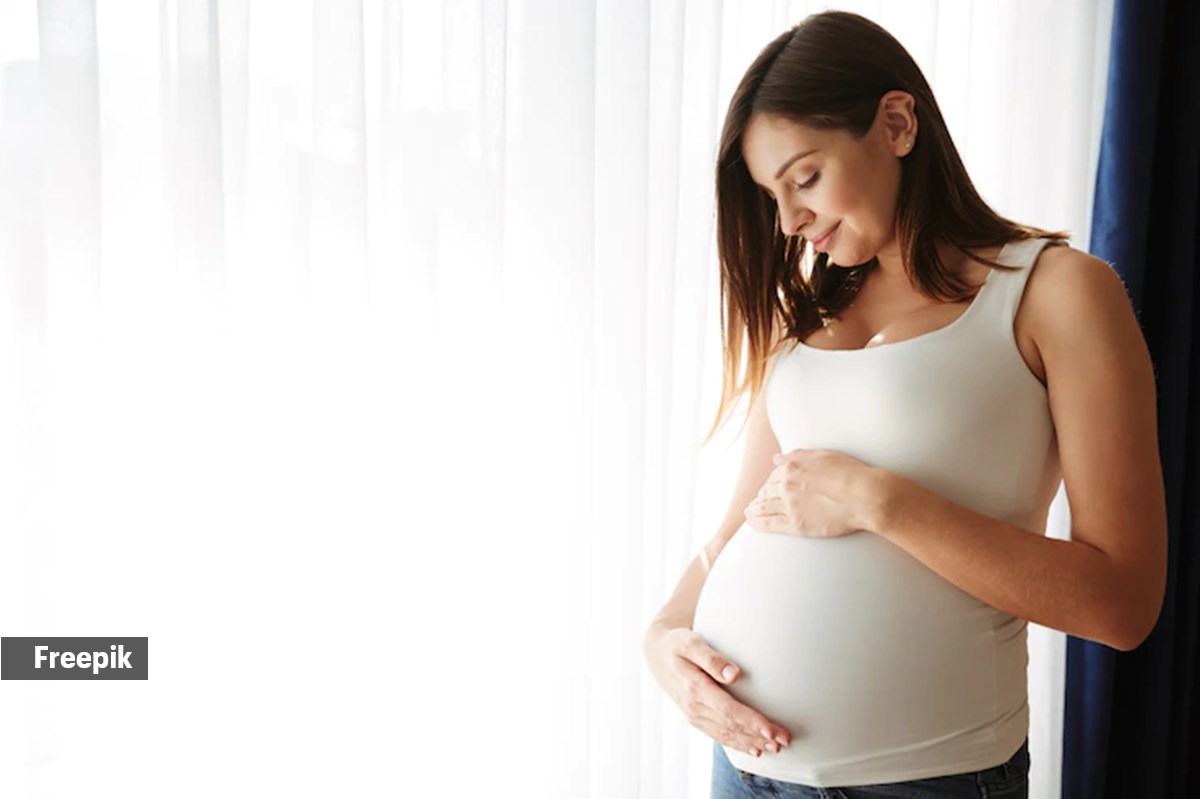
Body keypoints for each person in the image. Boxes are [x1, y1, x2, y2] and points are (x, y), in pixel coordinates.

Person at [642, 10, 1167, 799]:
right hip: (744, 772)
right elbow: (736, 528)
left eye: (805, 178)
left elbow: (1123, 602)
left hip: (925, 780)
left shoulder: (1055, 293)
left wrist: (877, 498)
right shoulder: (808, 318)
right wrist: (662, 642)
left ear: (895, 123)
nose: (788, 223)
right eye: (770, 196)